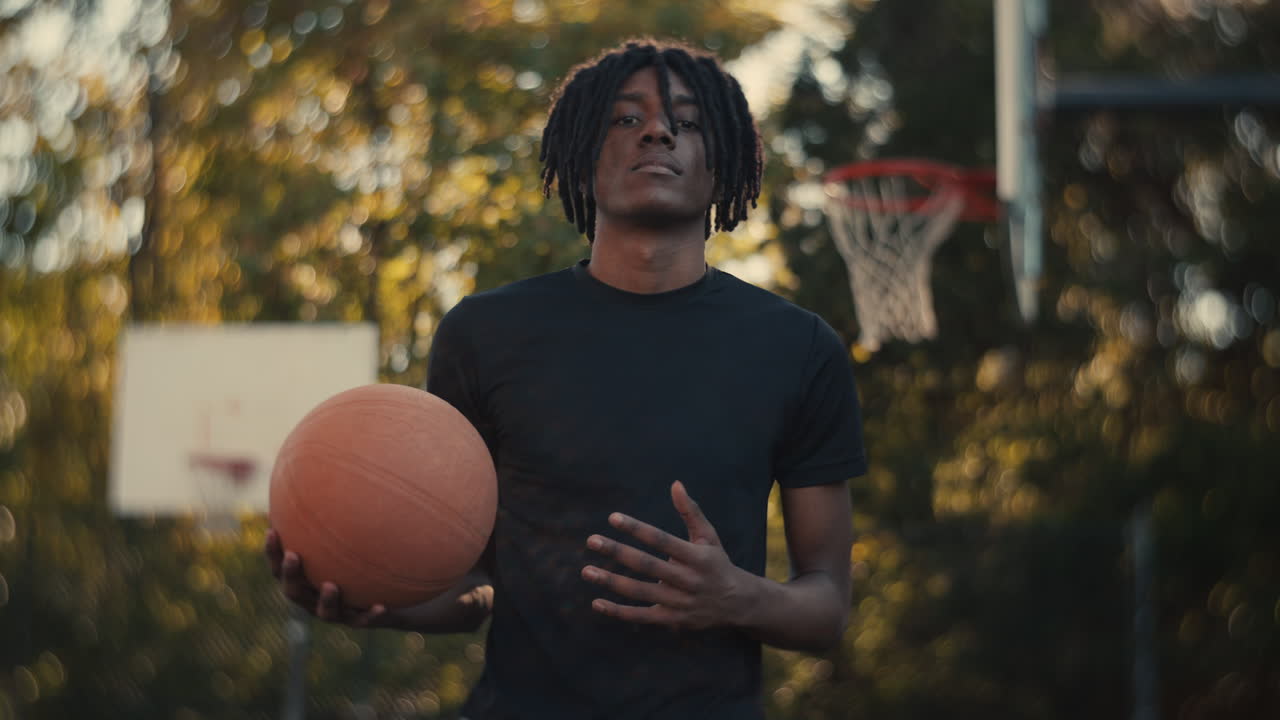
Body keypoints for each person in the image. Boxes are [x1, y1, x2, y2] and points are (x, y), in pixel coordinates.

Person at [266, 39, 867, 719]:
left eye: (688, 122)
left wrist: (736, 595)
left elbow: (827, 607)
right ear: (582, 160)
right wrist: (381, 598)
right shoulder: (485, 335)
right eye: (625, 118)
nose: (658, 130)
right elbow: (475, 589)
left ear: (721, 163)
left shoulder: (799, 349)